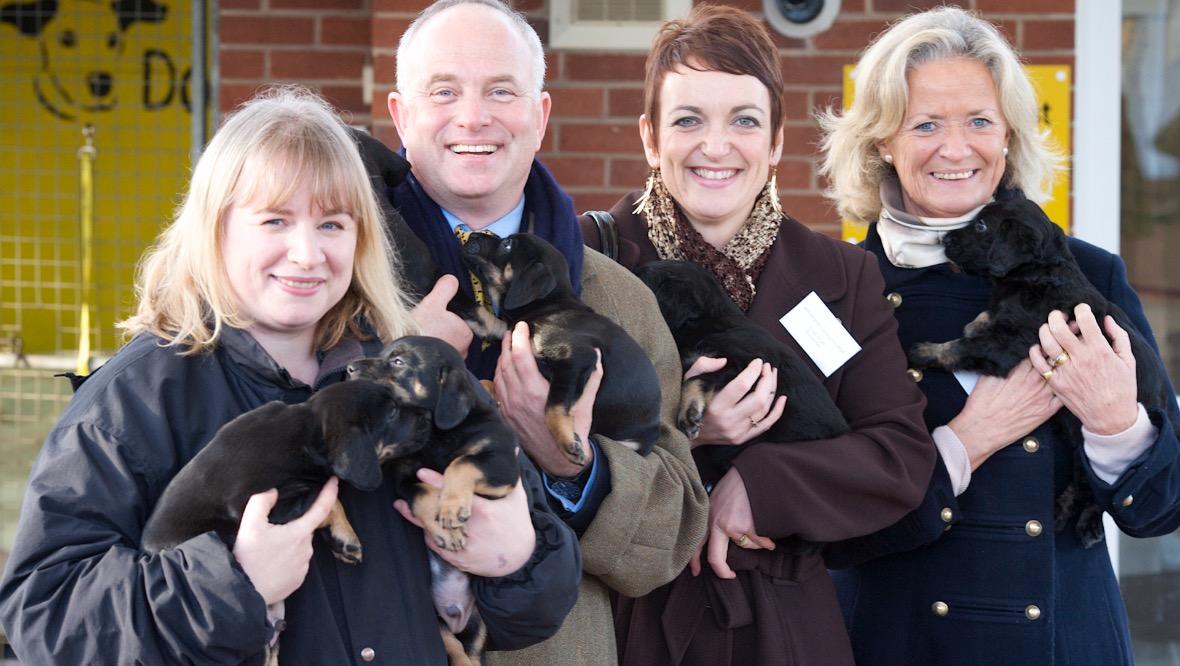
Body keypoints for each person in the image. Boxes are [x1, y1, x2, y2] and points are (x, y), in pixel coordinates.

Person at [0, 85, 580, 665]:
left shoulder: (403, 377)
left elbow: (540, 602)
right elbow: (43, 612)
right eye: (275, 221)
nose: (306, 253)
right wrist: (231, 583)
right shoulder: (136, 401)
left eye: (332, 225)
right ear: (216, 228)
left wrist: (519, 556)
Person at [817, 7, 1180, 665]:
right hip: (893, 645)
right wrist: (971, 438)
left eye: (979, 122)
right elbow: (823, 522)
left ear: (1009, 134)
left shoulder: (1091, 274)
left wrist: (1115, 422)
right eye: (926, 124)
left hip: (1062, 645)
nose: (957, 150)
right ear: (879, 140)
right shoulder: (833, 291)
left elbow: (1160, 507)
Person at [575, 6, 936, 664]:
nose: (716, 146)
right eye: (688, 120)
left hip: (785, 631)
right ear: (651, 138)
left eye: (744, 120)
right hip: (626, 627)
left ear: (774, 142)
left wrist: (762, 486)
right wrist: (688, 434)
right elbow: (545, 439)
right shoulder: (588, 261)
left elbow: (899, 457)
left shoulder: (842, 275)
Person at [379, 0, 710, 663]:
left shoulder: (616, 300)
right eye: (444, 91)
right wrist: (395, 366)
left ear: (540, 116)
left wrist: (572, 464)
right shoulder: (334, 281)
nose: (473, 116)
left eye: (501, 91)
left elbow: (674, 532)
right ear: (400, 116)